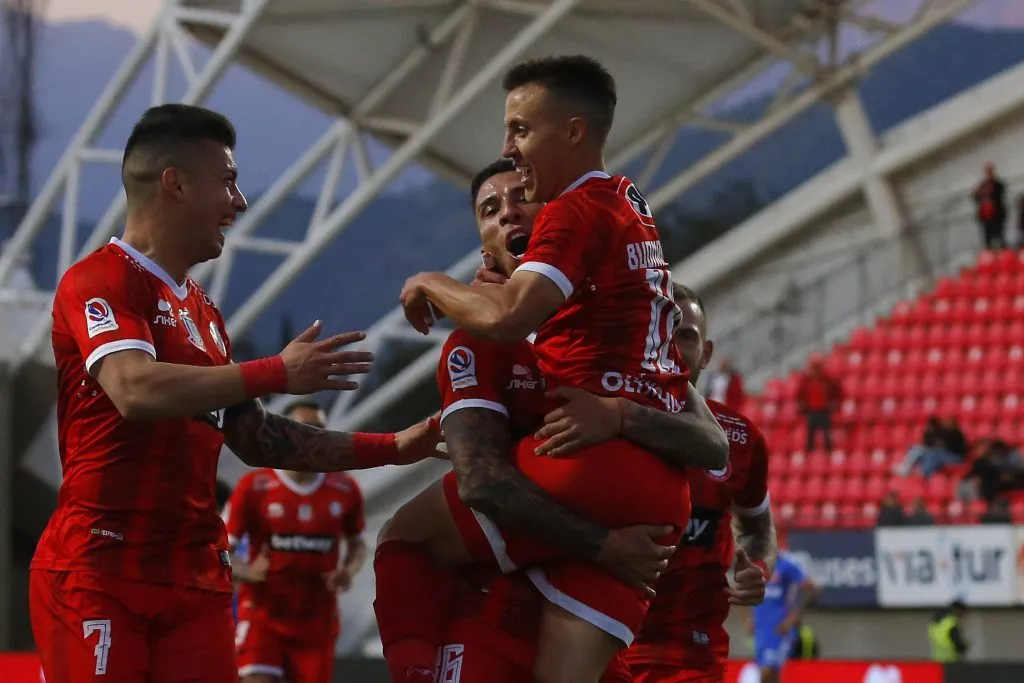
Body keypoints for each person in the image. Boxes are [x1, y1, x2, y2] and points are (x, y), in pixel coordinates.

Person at [29, 104, 442, 683]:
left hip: (194, 579)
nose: (240, 202)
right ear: (175, 183)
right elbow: (133, 388)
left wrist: (394, 447)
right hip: (100, 571)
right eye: (227, 181)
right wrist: (275, 371)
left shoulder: (205, 314)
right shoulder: (100, 279)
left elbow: (258, 437)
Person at [396, 54, 701, 683]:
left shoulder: (569, 213)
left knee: (404, 537)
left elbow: (508, 319)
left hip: (582, 468)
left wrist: (430, 282)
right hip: (659, 496)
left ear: (573, 132)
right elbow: (711, 443)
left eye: (520, 130)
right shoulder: (627, 201)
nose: (508, 147)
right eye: (489, 209)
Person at [627, 283, 777, 683]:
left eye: (686, 336)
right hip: (599, 645)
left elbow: (759, 527)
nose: (672, 346)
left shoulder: (741, 440)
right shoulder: (601, 421)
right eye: (662, 331)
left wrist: (756, 567)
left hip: (691, 659)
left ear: (706, 353)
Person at [225, 399, 368, 683]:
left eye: (319, 429)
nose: (313, 436)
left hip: (317, 624)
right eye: (304, 428)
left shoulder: (344, 488)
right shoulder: (254, 487)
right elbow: (221, 550)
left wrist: (348, 571)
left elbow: (357, 544)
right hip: (263, 618)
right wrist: (248, 571)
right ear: (283, 434)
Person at [749, 551, 821, 683]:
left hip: (779, 631)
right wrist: (747, 620)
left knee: (767, 673)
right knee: (770, 676)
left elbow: (814, 590)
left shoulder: (786, 565)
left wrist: (792, 618)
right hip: (761, 632)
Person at [795, 356, 841, 452]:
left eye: (818, 367)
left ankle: (828, 451)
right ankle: (809, 451)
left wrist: (833, 404)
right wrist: (802, 406)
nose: (816, 370)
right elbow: (799, 395)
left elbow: (838, 392)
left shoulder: (828, 381)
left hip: (824, 410)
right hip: (812, 411)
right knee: (811, 434)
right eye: (814, 367)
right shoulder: (806, 381)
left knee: (826, 433)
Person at [972, 163, 1006, 250]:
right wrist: (977, 194)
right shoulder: (982, 185)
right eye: (987, 171)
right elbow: (976, 198)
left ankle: (1003, 253)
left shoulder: (998, 184)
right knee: (987, 239)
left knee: (1000, 237)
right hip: (986, 217)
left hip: (997, 216)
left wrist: (989, 194)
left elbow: (1000, 194)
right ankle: (989, 253)